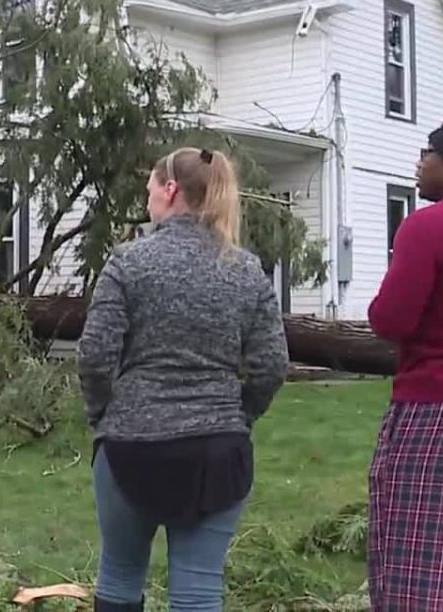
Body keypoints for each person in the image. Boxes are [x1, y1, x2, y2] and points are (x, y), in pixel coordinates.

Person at [78, 147, 289, 611]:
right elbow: (272, 364)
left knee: (119, 575)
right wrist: (239, 416)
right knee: (198, 588)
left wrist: (103, 415)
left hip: (129, 444)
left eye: (150, 188)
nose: (148, 197)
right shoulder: (246, 270)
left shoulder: (127, 263)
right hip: (217, 451)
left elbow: (94, 357)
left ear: (170, 190)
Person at [366, 118, 443, 612]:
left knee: (419, 566)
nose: (418, 163)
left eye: (426, 152)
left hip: (437, 413)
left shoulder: (427, 227)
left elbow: (392, 319)